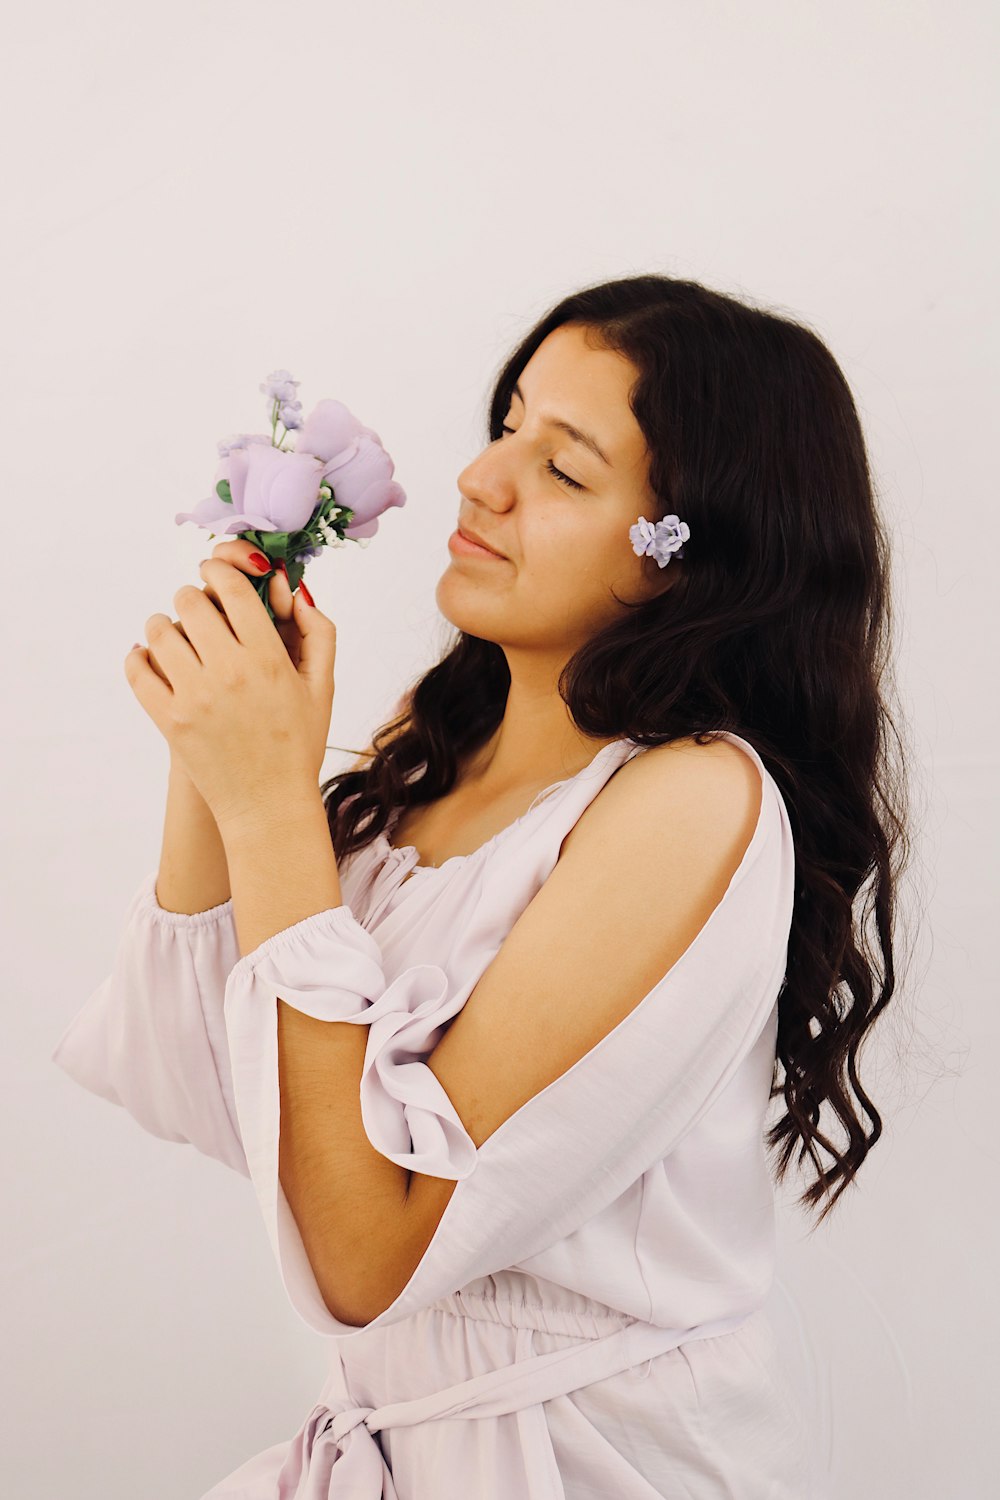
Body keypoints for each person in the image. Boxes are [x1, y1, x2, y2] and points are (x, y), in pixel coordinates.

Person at [51, 274, 911, 1498]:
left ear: (685, 558)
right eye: (506, 423)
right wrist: (222, 746)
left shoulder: (691, 800)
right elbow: (214, 1085)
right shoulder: (434, 766)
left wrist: (268, 802)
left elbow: (366, 1252)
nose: (481, 478)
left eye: (562, 470)